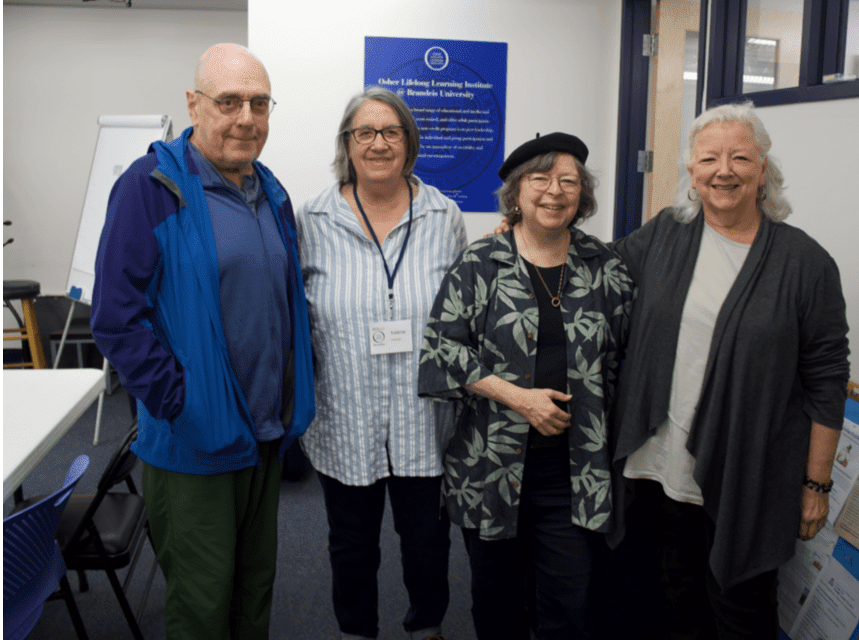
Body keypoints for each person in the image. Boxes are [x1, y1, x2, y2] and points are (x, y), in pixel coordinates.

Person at [90, 44, 315, 639]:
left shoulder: (270, 190)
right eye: (229, 101)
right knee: (201, 605)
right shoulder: (151, 187)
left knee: (252, 593)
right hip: (196, 443)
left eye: (259, 103)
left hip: (265, 436)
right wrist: (181, 403)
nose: (247, 117)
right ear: (194, 104)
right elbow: (116, 318)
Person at [610, 102, 850, 639]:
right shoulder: (665, 234)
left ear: (763, 169)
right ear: (691, 173)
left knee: (740, 609)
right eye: (709, 159)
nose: (724, 170)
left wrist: (816, 483)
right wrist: (524, 232)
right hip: (662, 460)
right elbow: (597, 268)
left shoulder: (806, 264)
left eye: (740, 157)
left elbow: (828, 380)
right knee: (673, 593)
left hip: (749, 474)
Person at [419, 133, 634, 640]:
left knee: (572, 600)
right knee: (497, 602)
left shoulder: (606, 267)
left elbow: (627, 355)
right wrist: (518, 398)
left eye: (568, 181)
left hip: (576, 470)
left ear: (583, 195)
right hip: (490, 465)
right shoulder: (480, 263)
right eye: (540, 179)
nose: (554, 192)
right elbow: (441, 350)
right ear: (517, 193)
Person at [296, 87, 466, 640]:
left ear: (409, 143)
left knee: (427, 540)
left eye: (391, 132)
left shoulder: (445, 216)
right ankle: (356, 631)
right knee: (350, 544)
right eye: (364, 133)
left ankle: (427, 626)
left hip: (425, 421)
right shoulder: (312, 220)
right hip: (345, 418)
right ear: (347, 143)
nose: (378, 144)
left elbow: (466, 314)